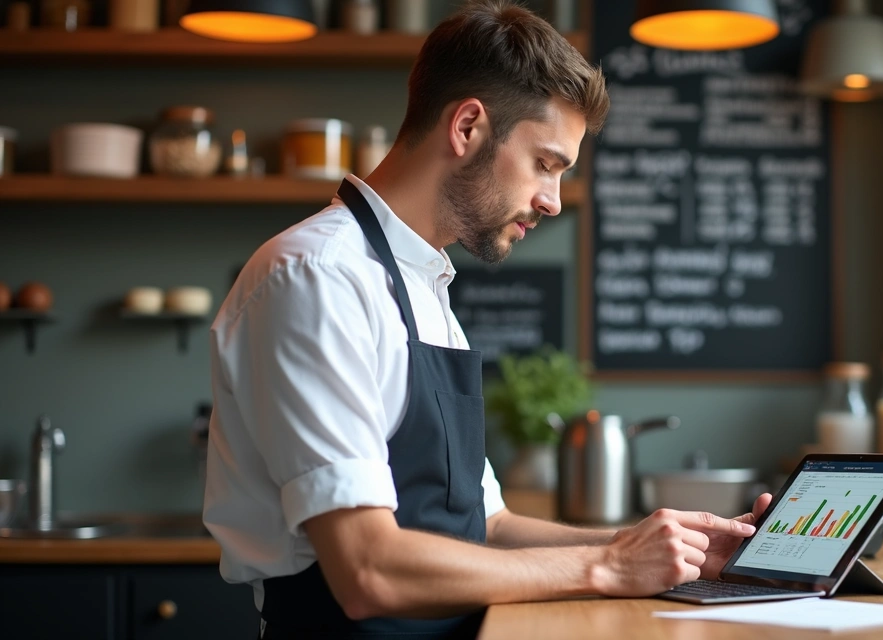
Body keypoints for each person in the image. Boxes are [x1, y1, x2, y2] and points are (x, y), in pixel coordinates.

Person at [203, 1, 772, 638]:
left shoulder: (424, 284)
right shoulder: (318, 278)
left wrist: (671, 548)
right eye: (546, 164)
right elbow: (368, 571)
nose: (553, 202)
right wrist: (609, 565)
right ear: (468, 126)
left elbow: (490, 527)